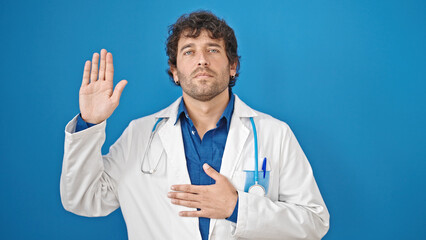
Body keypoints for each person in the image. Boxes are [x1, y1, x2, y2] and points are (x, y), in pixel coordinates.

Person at [60, 10, 330, 240]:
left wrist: (237, 207)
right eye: (189, 52)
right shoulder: (139, 135)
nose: (202, 60)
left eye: (213, 49)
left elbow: (315, 222)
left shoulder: (275, 134)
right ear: (175, 71)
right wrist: (89, 124)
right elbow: (84, 199)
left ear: (233, 65)